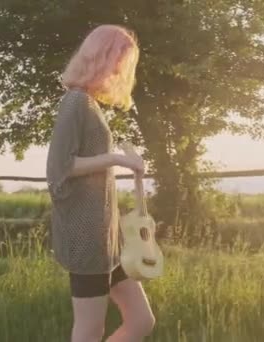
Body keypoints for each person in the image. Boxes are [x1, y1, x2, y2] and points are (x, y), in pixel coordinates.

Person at [46, 25, 155, 342]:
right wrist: (117, 159)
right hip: (85, 237)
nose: (121, 69)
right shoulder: (75, 102)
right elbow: (60, 169)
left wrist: (125, 160)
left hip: (107, 238)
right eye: (119, 58)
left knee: (141, 321)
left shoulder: (90, 103)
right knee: (90, 331)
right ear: (102, 56)